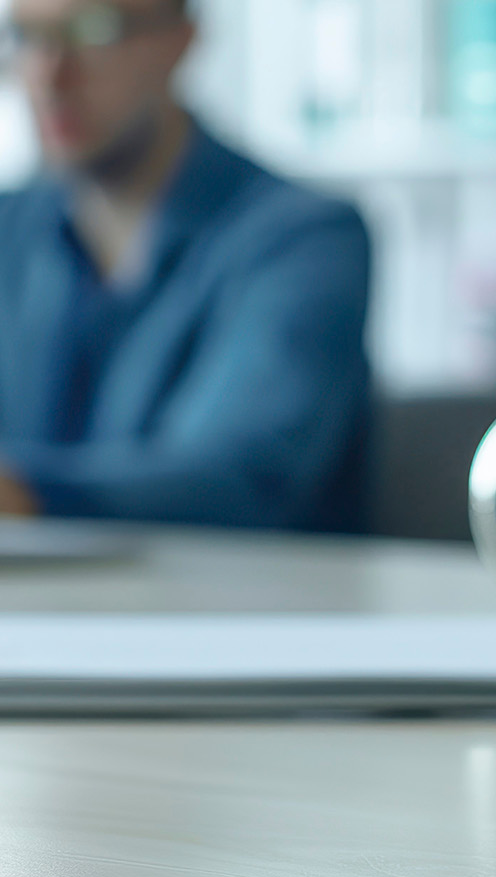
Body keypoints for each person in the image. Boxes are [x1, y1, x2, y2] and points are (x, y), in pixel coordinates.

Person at [0, 0, 372, 531]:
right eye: (26, 37)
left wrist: (23, 492)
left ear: (182, 41)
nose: (48, 73)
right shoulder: (10, 232)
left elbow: (238, 474)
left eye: (93, 32)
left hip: (241, 606)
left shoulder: (301, 239)